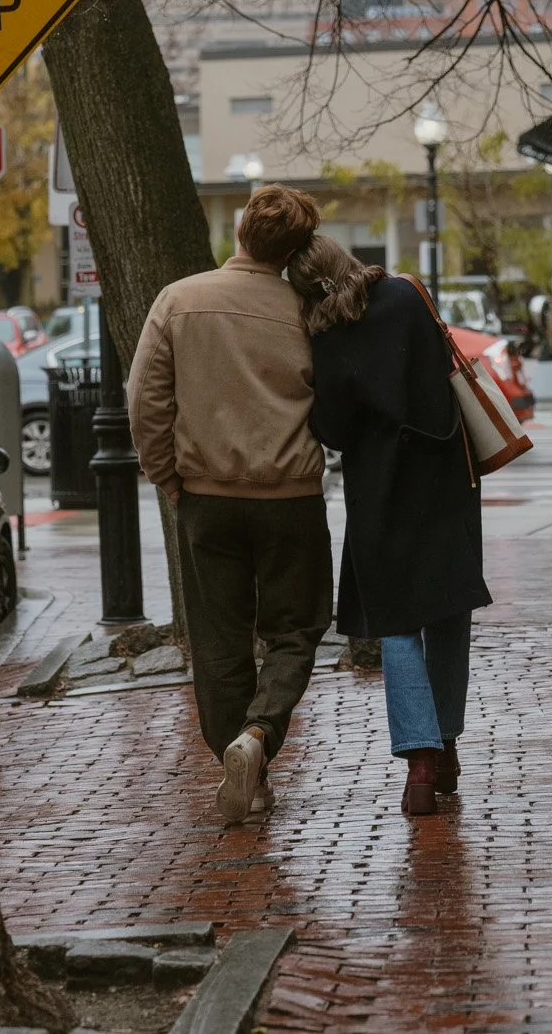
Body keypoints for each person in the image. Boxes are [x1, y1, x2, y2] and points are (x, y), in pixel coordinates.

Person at [128, 185, 334, 825]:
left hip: (208, 497)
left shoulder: (179, 300)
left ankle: (240, 762)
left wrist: (170, 476)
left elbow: (145, 402)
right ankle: (259, 734)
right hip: (291, 498)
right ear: (297, 249)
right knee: (296, 628)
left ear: (241, 231)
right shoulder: (310, 312)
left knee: (218, 639)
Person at [288, 235, 490, 815]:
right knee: (449, 609)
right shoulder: (405, 296)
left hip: (378, 491)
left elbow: (332, 430)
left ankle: (420, 766)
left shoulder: (325, 334)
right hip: (444, 476)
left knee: (399, 622)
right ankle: (446, 741)